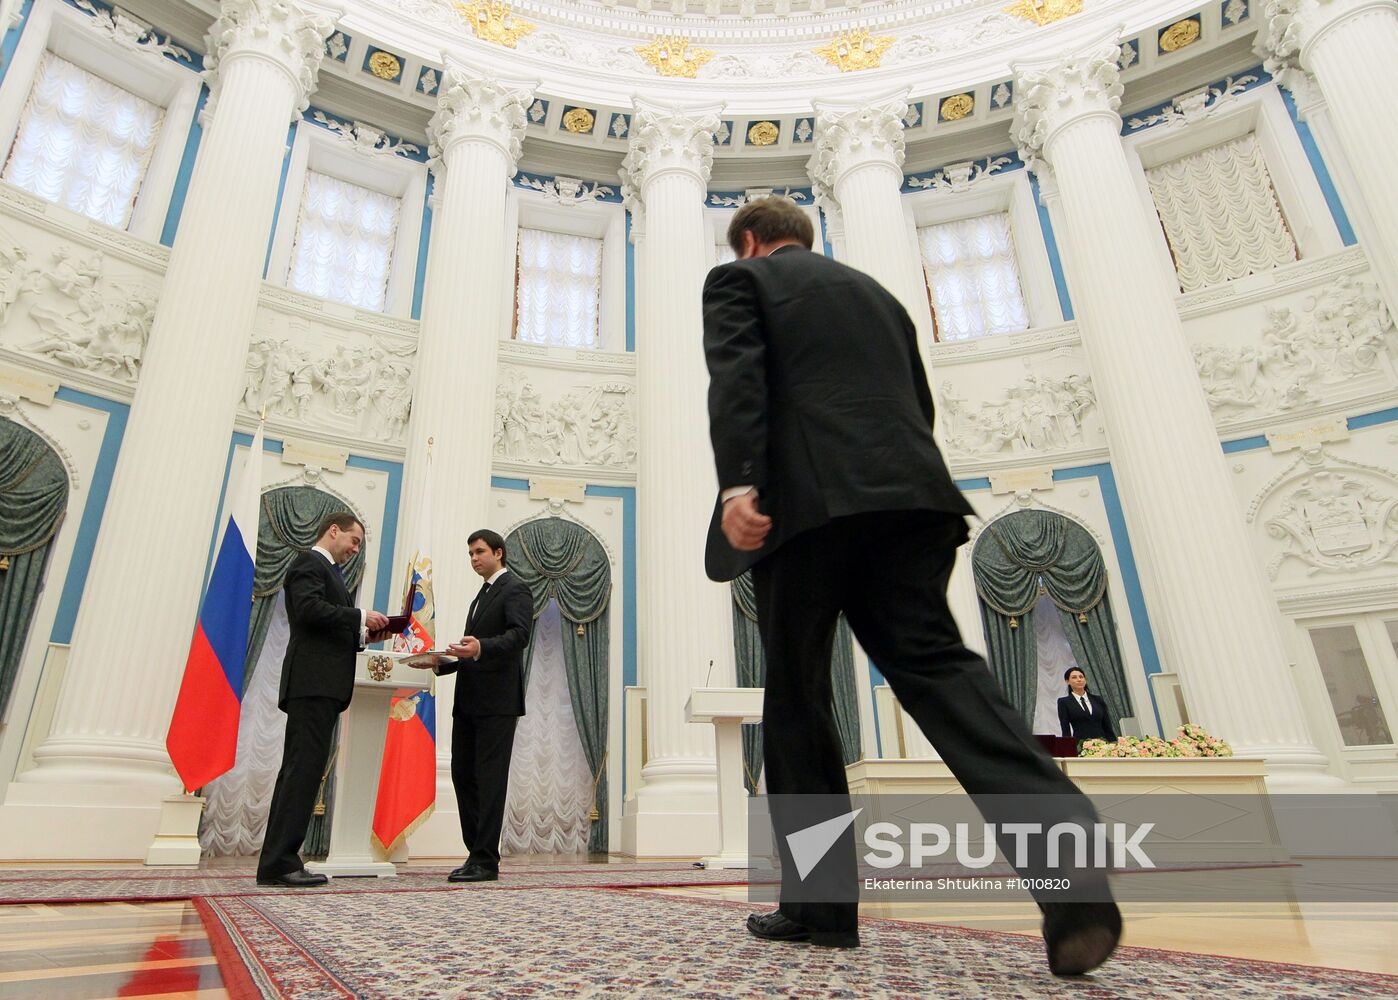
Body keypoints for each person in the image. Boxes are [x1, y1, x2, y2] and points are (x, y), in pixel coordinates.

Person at [702, 196, 1121, 975]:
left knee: (796, 698)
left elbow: (738, 381)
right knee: (941, 672)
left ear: (752, 243)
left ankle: (821, 908)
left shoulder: (740, 282)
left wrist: (739, 487)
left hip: (806, 508)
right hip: (911, 500)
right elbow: (915, 406)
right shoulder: (881, 296)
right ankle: (1068, 868)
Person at [257, 512, 391, 887]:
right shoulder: (309, 563)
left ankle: (281, 860)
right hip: (311, 684)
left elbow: (327, 625)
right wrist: (361, 615)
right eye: (354, 540)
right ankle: (280, 862)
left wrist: (362, 634)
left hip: (321, 685)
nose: (355, 549)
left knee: (304, 772)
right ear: (334, 530)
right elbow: (310, 611)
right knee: (300, 772)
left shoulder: (327, 570)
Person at [415, 529, 532, 883]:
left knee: (490, 780)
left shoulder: (515, 588)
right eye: (470, 554)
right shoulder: (481, 596)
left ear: (499, 552)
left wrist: (479, 647)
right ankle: (474, 853)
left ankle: (486, 860)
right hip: (469, 702)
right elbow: (472, 652)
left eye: (479, 552)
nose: (474, 559)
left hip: (497, 703)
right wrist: (441, 663)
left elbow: (519, 635)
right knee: (464, 776)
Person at [1058, 668, 1117, 743]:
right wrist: (1068, 749)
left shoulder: (1098, 699)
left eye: (1081, 677)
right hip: (1080, 745)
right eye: (1074, 677)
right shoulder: (1064, 702)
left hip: (1103, 745)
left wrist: (1113, 743)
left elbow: (1107, 725)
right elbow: (1065, 729)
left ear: (1085, 680)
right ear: (1067, 681)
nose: (1079, 679)